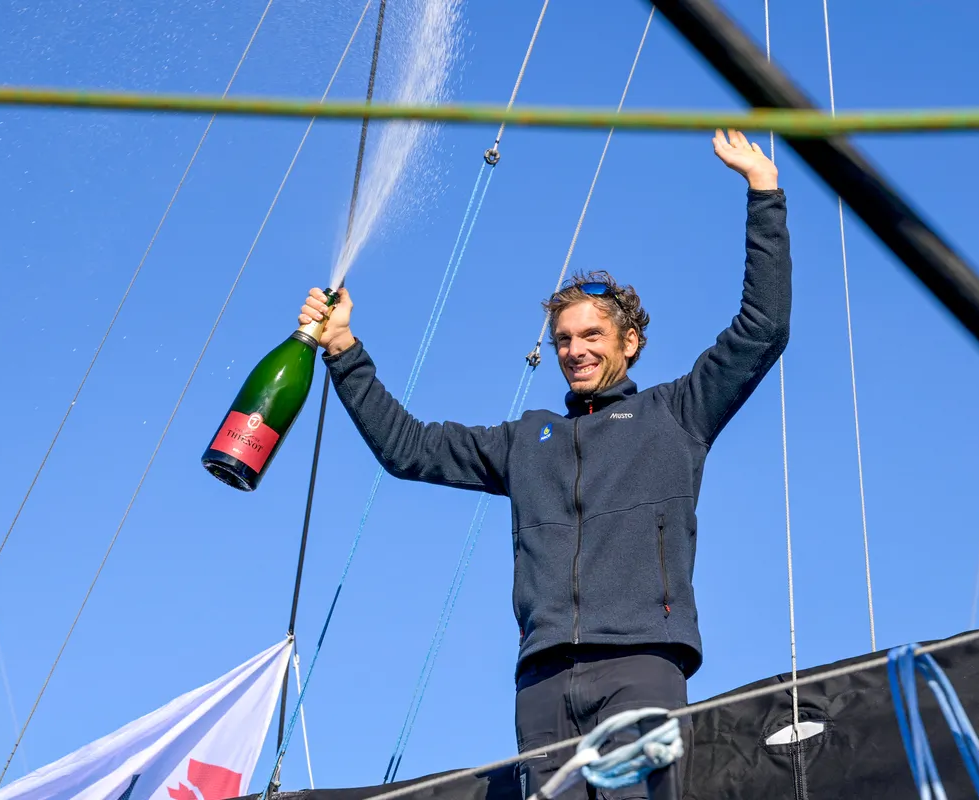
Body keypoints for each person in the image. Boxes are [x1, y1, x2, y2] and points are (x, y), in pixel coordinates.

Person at [298, 129, 790, 800]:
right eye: (564, 339)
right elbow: (407, 448)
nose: (575, 350)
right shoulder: (526, 441)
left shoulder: (677, 414)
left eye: (592, 335)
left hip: (640, 664)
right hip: (543, 680)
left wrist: (764, 194)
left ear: (631, 342)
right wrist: (344, 349)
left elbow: (762, 328)